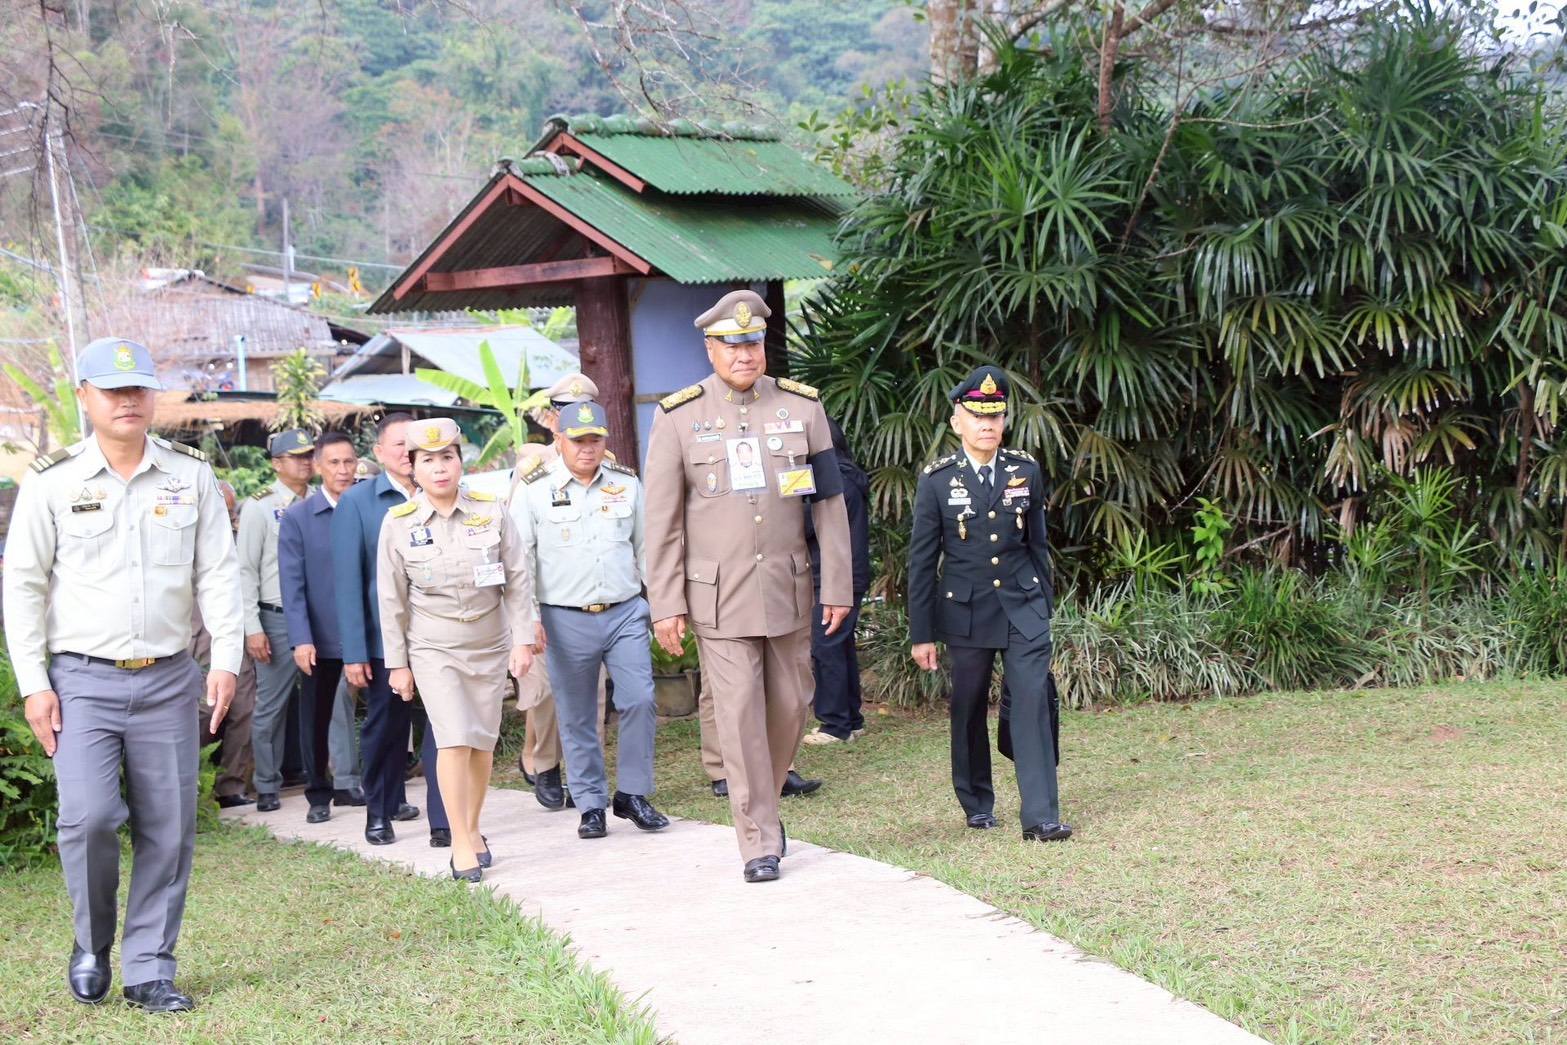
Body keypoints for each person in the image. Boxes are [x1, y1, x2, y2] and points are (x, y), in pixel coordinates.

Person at [3, 336, 243, 1012]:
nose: (128, 400)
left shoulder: (189, 475)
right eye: (113, 390)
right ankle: (91, 940)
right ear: (85, 397)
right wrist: (33, 681)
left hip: (168, 677)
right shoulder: (52, 482)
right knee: (87, 817)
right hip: (81, 678)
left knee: (170, 825)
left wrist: (224, 656)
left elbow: (218, 573)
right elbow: (22, 584)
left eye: (138, 388)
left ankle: (149, 966)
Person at [644, 289, 854, 883]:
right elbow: (661, 520)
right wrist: (666, 602)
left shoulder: (803, 409)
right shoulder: (678, 417)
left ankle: (768, 799)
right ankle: (758, 837)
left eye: (754, 343)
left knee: (791, 705)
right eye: (732, 345)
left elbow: (830, 504)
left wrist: (837, 584)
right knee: (736, 715)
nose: (745, 354)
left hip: (788, 586)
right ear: (711, 350)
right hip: (717, 595)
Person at [907, 365, 1070, 842]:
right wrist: (922, 633)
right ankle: (977, 802)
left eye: (996, 416)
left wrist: (1044, 604)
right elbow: (921, 561)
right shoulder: (938, 481)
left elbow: (1038, 546)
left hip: (1023, 605)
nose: (988, 425)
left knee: (1033, 702)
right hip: (967, 610)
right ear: (957, 422)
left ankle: (1041, 816)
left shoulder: (1026, 470)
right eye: (977, 416)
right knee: (969, 707)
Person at [378, 419, 534, 881]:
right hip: (433, 645)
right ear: (414, 469)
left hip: (488, 643)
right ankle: (460, 842)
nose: (440, 468)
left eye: (447, 457)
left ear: (460, 462)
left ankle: (472, 825)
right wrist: (397, 664)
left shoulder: (492, 510)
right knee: (453, 738)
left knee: (482, 743)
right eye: (428, 460)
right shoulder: (399, 523)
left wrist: (523, 639)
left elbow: (518, 578)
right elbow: (391, 599)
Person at [511, 400, 668, 840]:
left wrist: (662, 606)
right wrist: (529, 619)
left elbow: (646, 550)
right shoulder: (534, 489)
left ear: (605, 441)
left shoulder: (626, 484)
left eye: (595, 439)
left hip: (623, 612)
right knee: (578, 716)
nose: (587, 448)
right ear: (558, 440)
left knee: (639, 698)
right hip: (564, 619)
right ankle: (591, 804)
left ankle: (633, 794)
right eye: (577, 440)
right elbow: (521, 560)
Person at [332, 413, 449, 846]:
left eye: (412, 444)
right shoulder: (360, 502)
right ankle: (378, 812)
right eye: (396, 444)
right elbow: (347, 583)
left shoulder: (444, 494)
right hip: (385, 642)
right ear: (379, 453)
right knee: (386, 729)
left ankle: (444, 819)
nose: (405, 452)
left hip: (440, 637)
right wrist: (355, 652)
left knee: (443, 728)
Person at [509, 372, 609, 810]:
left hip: (594, 597)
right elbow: (515, 541)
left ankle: (587, 776)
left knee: (594, 691)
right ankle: (544, 764)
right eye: (566, 411)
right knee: (546, 691)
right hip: (545, 600)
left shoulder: (608, 463)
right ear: (552, 419)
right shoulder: (532, 468)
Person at [279, 431, 366, 823]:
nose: (344, 470)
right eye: (334, 462)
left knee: (385, 712)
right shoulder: (298, 517)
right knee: (315, 718)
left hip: (369, 632)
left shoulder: (370, 507)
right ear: (318, 467)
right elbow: (291, 584)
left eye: (349, 461)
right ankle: (318, 794)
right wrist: (301, 638)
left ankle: (387, 790)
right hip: (322, 636)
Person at [237, 428, 314, 812]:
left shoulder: (322, 500)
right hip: (277, 618)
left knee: (332, 703)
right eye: (296, 456)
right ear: (276, 464)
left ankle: (336, 779)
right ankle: (267, 784)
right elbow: (245, 571)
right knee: (271, 706)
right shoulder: (259, 506)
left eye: (308, 455)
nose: (305, 462)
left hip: (320, 619)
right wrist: (253, 627)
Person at [802, 417, 872, 745]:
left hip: (833, 577)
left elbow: (807, 526)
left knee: (825, 646)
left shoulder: (834, 482)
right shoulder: (848, 474)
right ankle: (851, 719)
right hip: (846, 574)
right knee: (840, 645)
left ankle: (834, 725)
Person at [189, 479, 258, 808]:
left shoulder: (234, 538)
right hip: (193, 635)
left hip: (235, 633)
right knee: (203, 710)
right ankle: (193, 785)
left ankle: (231, 786)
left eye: (231, 511)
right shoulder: (177, 533)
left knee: (243, 706)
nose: (228, 517)